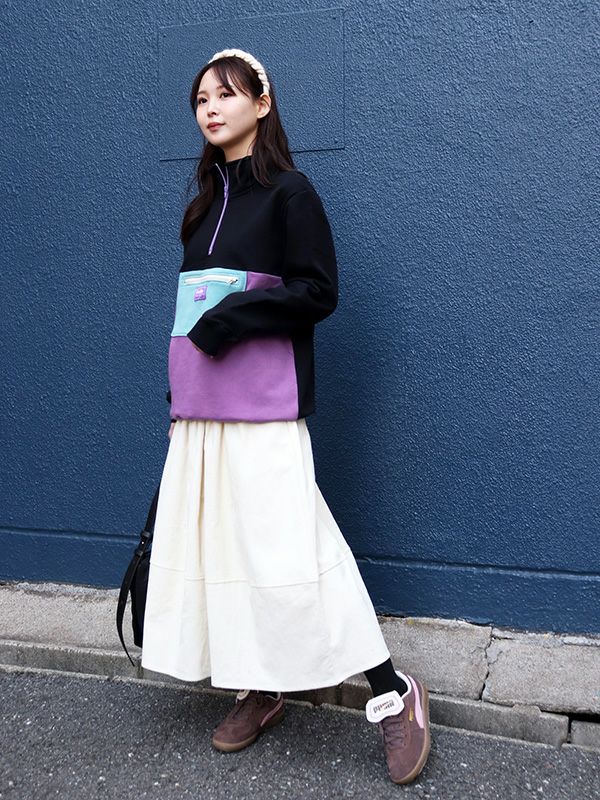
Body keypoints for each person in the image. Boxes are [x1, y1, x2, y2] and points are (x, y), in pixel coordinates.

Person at [140, 47, 431, 786]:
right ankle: (260, 685)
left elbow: (317, 291)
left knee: (292, 546)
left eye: (226, 95)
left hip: (263, 405)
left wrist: (235, 315)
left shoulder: (291, 193)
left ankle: (393, 693)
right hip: (200, 408)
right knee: (222, 549)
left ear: (262, 103)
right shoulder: (202, 204)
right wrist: (179, 396)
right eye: (200, 99)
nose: (210, 108)